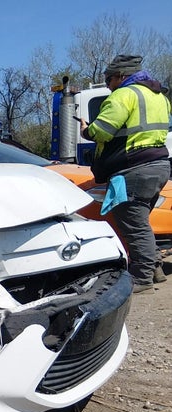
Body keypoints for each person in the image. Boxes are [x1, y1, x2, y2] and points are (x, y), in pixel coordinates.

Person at [80, 54, 171, 293]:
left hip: (134, 168)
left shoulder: (123, 95)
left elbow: (102, 131)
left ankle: (141, 278)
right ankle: (155, 268)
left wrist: (86, 130)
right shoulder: (159, 96)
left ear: (121, 76)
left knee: (133, 224)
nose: (108, 84)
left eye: (109, 79)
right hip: (158, 165)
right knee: (139, 221)